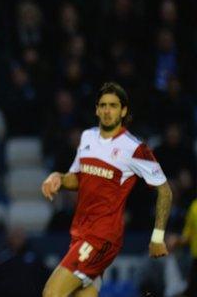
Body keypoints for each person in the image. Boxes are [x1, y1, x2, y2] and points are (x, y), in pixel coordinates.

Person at [40, 82, 172, 297]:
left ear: (124, 110)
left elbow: (165, 191)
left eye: (113, 105)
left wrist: (157, 237)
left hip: (102, 236)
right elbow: (78, 178)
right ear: (96, 109)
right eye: (103, 105)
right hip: (81, 232)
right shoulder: (87, 138)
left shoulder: (135, 148)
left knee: (52, 293)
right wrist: (59, 178)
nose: (107, 110)